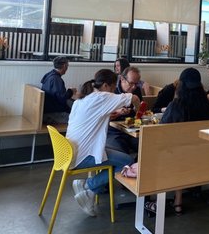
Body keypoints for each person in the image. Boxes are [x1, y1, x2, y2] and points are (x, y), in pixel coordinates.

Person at [67, 69, 140, 217]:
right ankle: (89, 187)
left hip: (69, 152)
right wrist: (139, 112)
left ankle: (86, 186)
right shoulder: (102, 97)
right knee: (126, 161)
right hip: (83, 155)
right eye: (113, 88)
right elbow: (135, 98)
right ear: (106, 85)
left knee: (118, 156)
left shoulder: (84, 97)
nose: (113, 92)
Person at [147, 68, 209, 215]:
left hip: (175, 157)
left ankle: (151, 198)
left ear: (181, 85)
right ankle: (178, 201)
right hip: (201, 157)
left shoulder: (176, 105)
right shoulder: (208, 107)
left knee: (149, 152)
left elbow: (160, 133)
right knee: (181, 153)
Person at [106, 66, 143, 154]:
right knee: (122, 150)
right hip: (113, 131)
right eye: (131, 83)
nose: (134, 87)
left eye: (136, 84)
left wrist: (137, 110)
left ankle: (136, 166)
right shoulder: (112, 90)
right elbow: (104, 115)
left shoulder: (136, 90)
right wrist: (117, 112)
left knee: (144, 147)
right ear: (122, 79)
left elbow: (140, 111)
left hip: (132, 130)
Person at [41, 56, 77, 124]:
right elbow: (62, 99)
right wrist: (71, 91)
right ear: (64, 66)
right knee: (78, 120)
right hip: (52, 113)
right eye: (67, 65)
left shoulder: (49, 75)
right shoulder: (56, 79)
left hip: (48, 109)